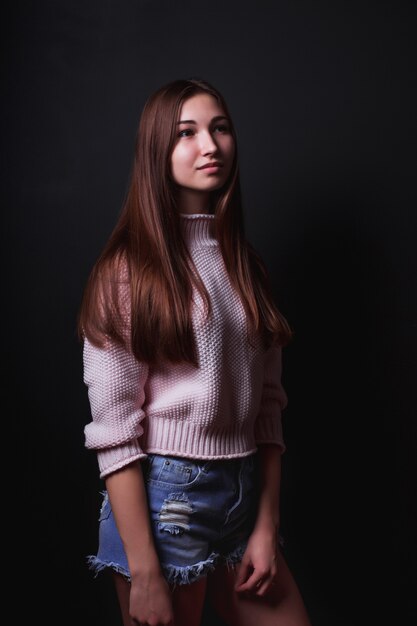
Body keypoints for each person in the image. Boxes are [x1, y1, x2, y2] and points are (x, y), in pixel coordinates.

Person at [78, 77, 312, 626]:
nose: (210, 146)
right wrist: (146, 572)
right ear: (157, 150)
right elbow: (113, 431)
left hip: (243, 494)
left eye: (220, 128)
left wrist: (265, 524)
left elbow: (269, 407)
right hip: (164, 506)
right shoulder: (127, 271)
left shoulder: (246, 266)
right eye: (187, 133)